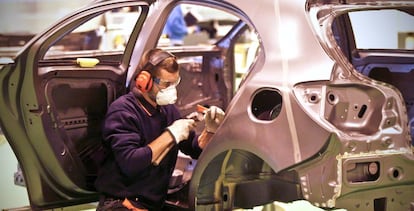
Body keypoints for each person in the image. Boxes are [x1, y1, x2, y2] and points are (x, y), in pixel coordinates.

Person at [94, 48, 225, 211]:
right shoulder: (123, 112)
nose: (172, 89)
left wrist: (211, 130)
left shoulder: (167, 110)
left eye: (175, 83)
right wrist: (171, 134)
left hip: (153, 203)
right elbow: (131, 163)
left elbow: (194, 147)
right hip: (123, 203)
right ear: (145, 81)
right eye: (166, 84)